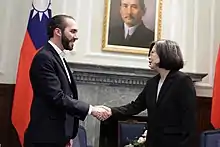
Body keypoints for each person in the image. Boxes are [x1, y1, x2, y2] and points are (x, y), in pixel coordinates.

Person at [24, 14, 108, 147]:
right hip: (45, 139)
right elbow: (57, 97)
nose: (76, 36)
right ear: (58, 32)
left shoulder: (58, 57)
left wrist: (67, 135)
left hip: (58, 137)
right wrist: (91, 109)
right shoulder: (44, 58)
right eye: (73, 31)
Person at [99, 40, 197, 147]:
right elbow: (135, 106)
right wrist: (111, 111)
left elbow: (189, 122)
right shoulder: (152, 83)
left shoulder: (183, 81)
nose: (149, 57)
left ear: (165, 54)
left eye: (153, 53)